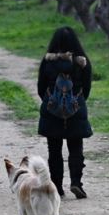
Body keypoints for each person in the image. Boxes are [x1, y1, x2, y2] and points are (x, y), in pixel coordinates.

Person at [37, 26, 92, 199]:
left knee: (54, 151)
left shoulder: (47, 63)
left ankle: (57, 187)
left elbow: (40, 88)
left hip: (52, 113)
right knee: (76, 149)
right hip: (76, 111)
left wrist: (51, 103)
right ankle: (76, 183)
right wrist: (77, 103)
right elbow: (87, 88)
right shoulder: (82, 63)